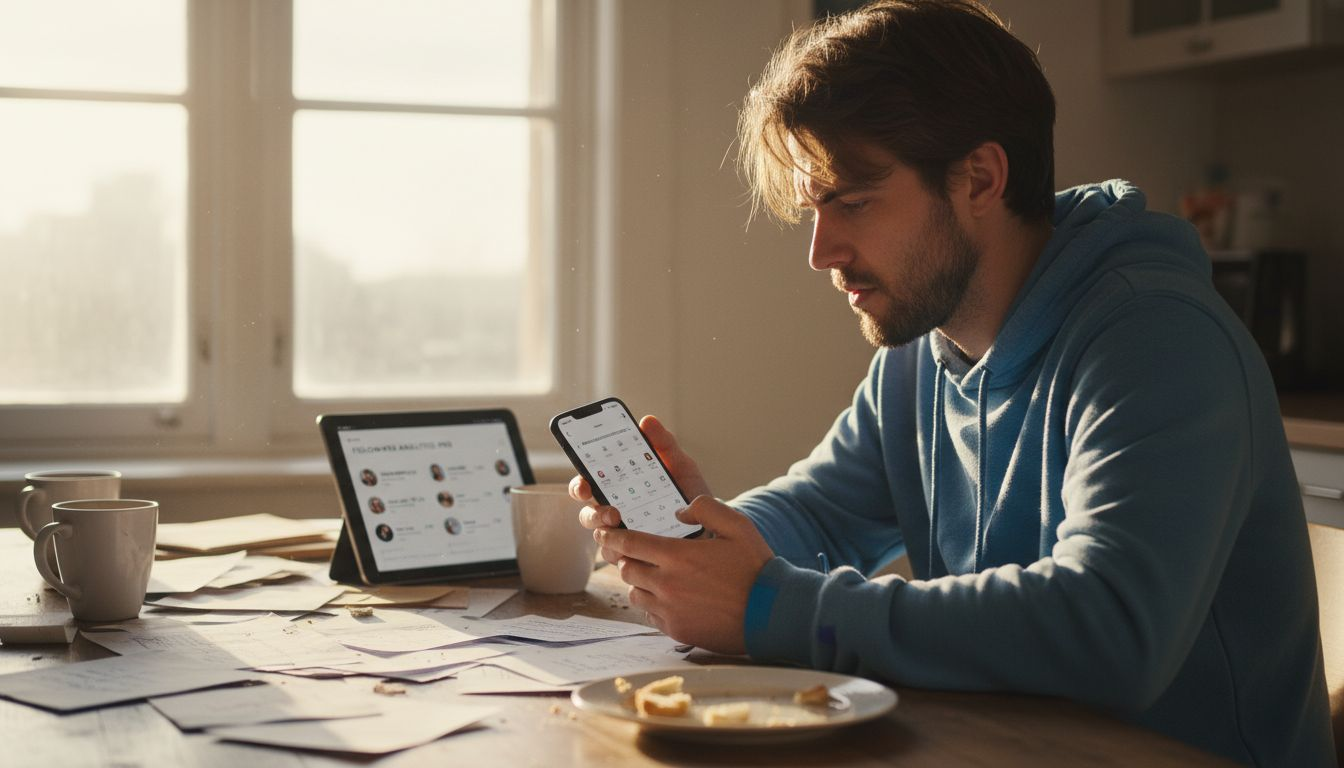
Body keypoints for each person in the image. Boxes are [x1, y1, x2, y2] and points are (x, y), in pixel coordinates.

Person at [569, 2, 1333, 765]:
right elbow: (827, 512)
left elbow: (1111, 629)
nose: (821, 251)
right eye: (812, 209)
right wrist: (698, 534)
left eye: (854, 202)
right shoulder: (924, 346)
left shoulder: (1156, 340)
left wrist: (768, 604)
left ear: (980, 178)